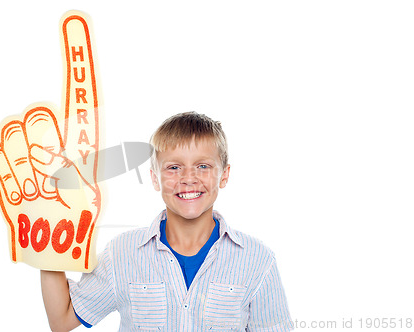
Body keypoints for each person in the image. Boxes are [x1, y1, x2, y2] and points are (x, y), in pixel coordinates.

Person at [41, 111, 294, 331]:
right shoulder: (121, 254)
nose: (188, 178)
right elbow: (61, 321)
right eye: (173, 168)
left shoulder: (258, 260)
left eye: (203, 166)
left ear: (224, 175)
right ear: (154, 178)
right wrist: (44, 240)